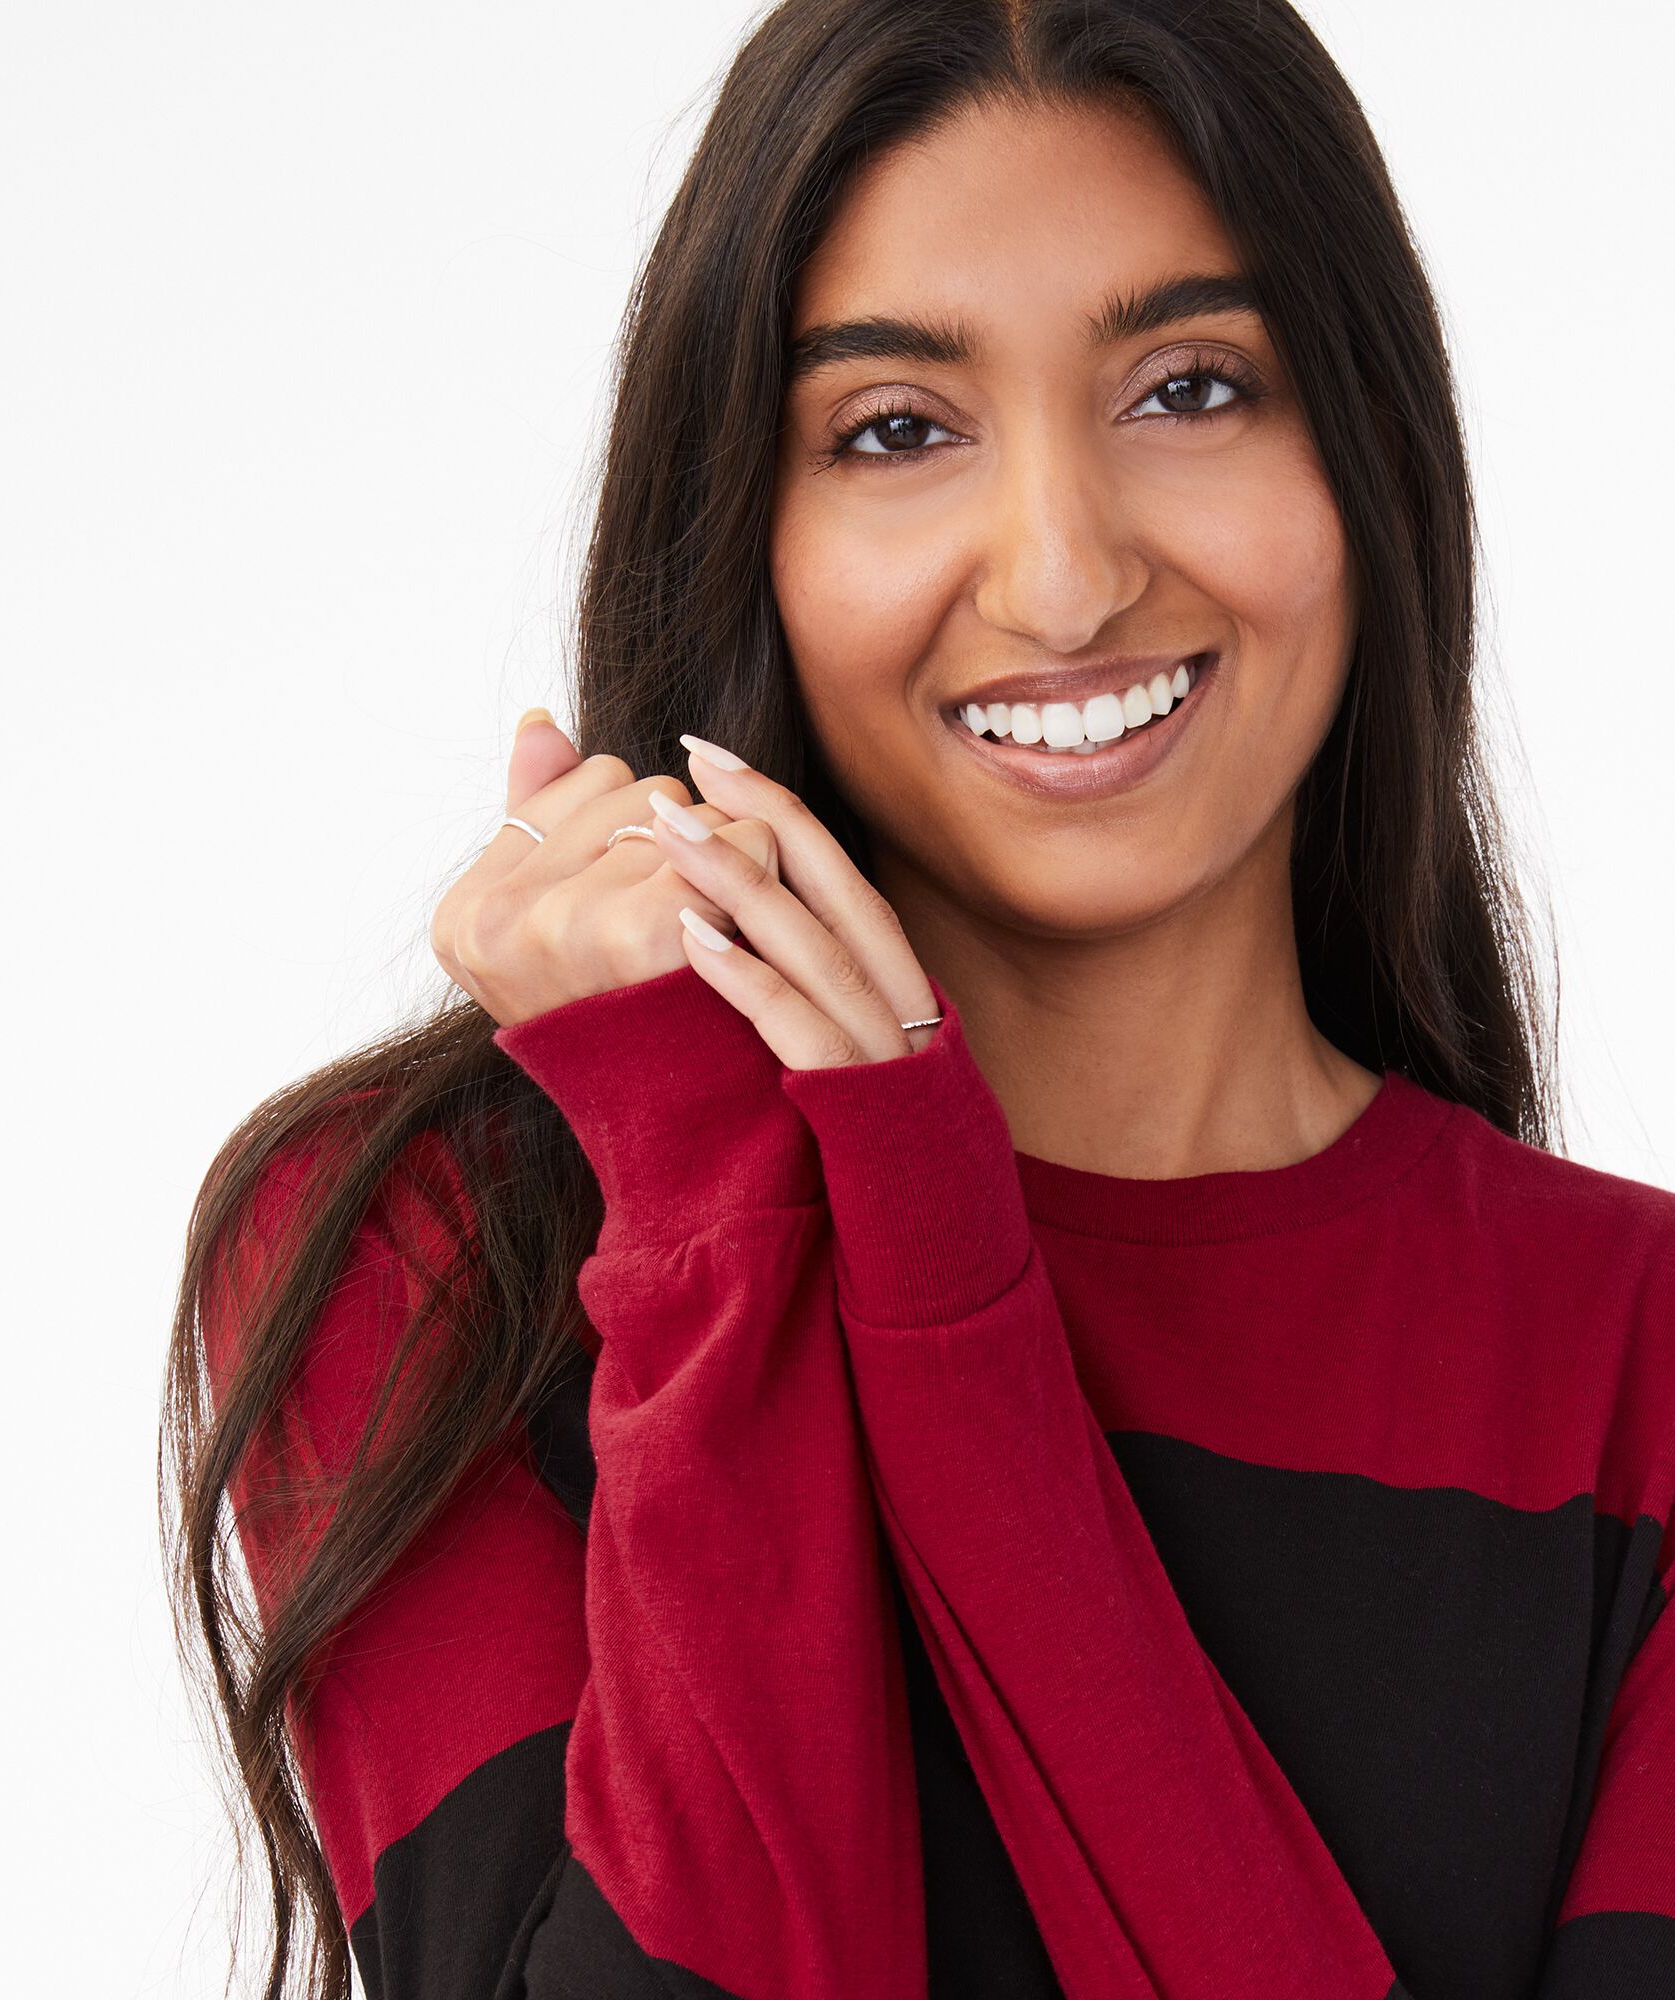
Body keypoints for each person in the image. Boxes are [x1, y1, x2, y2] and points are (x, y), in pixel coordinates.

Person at [162, 1, 1675, 1996]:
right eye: (896, 428)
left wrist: (941, 1273)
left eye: (1191, 386)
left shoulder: (1634, 1363)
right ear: (748, 533)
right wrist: (724, 1197)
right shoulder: (438, 1253)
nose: (1060, 578)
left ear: (1370, 461)